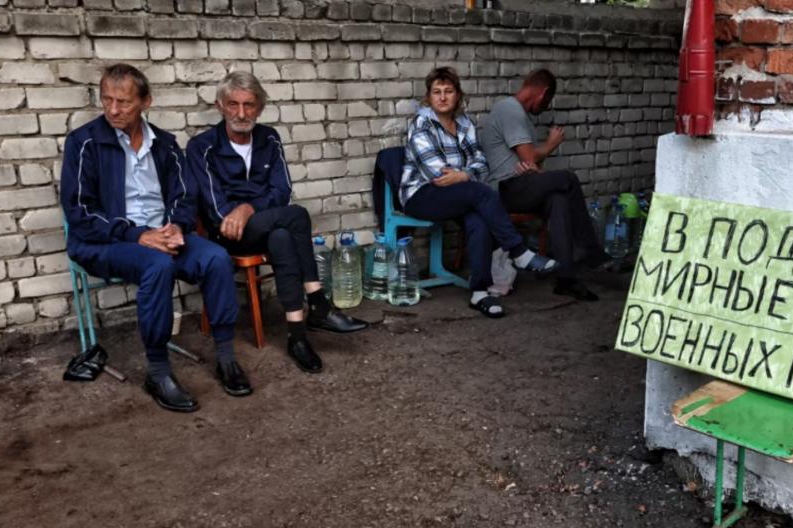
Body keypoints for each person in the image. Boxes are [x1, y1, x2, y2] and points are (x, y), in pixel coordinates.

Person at [59, 64, 250, 412]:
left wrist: (177, 225)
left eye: (124, 102)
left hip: (161, 235)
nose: (113, 110)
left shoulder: (164, 144)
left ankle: (226, 357)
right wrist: (137, 234)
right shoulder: (84, 143)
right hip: (105, 242)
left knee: (216, 258)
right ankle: (158, 371)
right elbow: (79, 212)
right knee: (158, 265)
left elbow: (184, 195)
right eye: (106, 100)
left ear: (146, 102)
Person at [187, 72, 368, 374]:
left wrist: (247, 208)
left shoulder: (269, 137)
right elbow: (218, 212)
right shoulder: (201, 147)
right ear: (220, 106)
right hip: (227, 235)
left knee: (283, 235)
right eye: (233, 104)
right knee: (296, 216)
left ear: (259, 107)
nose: (241, 113)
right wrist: (244, 211)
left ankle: (297, 337)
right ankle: (318, 304)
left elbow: (281, 191)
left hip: (265, 226)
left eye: (249, 105)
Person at [399, 66, 559, 318]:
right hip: (421, 195)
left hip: (459, 193)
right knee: (480, 193)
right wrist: (467, 175)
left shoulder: (465, 124)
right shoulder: (421, 125)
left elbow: (482, 163)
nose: (442, 97)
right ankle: (519, 252)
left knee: (479, 220)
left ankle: (480, 292)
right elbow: (437, 176)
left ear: (457, 95)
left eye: (448, 91)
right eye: (436, 92)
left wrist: (464, 174)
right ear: (428, 97)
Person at [478, 69, 610, 302]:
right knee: (567, 179)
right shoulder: (509, 109)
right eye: (547, 102)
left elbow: (532, 165)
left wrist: (533, 165)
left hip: (522, 185)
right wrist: (551, 144)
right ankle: (591, 251)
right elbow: (530, 156)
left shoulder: (522, 117)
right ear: (543, 93)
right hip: (504, 189)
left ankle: (566, 279)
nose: (546, 107)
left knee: (559, 199)